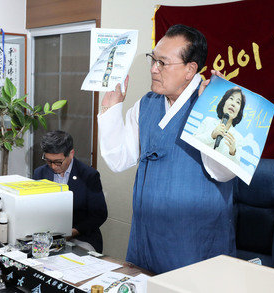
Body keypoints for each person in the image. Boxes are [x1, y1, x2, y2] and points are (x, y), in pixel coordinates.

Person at [98, 24, 237, 274]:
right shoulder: (147, 104)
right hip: (145, 238)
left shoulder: (215, 103)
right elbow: (119, 160)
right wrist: (111, 108)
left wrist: (213, 112)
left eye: (163, 63)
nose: (153, 69)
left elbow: (224, 172)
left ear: (190, 70)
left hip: (193, 244)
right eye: (153, 60)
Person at [33, 131, 107, 253]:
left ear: (71, 154)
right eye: (48, 161)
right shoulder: (40, 173)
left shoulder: (88, 175)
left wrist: (71, 232)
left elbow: (99, 215)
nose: (53, 166)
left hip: (81, 237)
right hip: (46, 237)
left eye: (58, 162)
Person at [194, 87, 246, 163]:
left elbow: (236, 168)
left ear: (239, 111)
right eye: (231, 98)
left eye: (238, 102)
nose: (233, 104)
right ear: (224, 102)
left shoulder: (238, 138)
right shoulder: (208, 121)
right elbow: (192, 141)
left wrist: (232, 152)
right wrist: (212, 136)